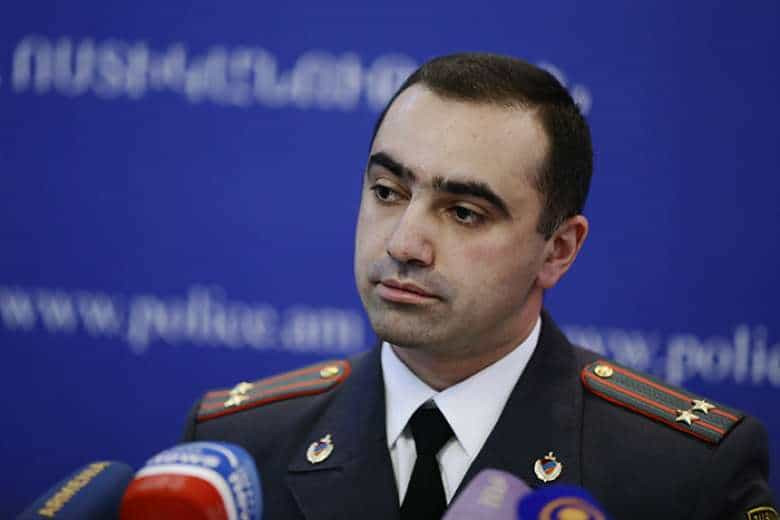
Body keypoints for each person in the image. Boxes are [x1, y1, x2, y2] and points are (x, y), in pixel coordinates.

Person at [182, 53, 776, 519]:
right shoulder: (235, 451)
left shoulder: (683, 473)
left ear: (558, 250)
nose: (403, 244)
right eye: (387, 192)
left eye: (464, 212)